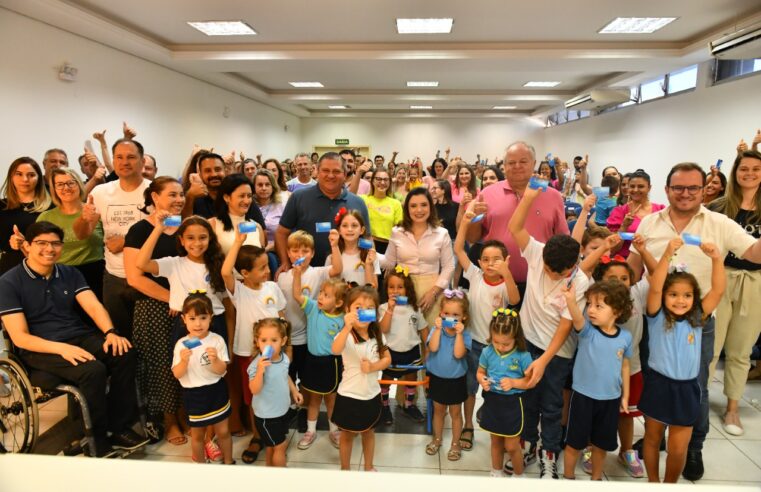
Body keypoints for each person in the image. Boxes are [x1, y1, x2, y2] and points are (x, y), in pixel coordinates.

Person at [627, 162, 761, 481]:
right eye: (678, 188)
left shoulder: (719, 223)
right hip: (655, 321)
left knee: (695, 388)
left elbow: (753, 252)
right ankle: (654, 436)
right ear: (667, 189)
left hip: (699, 324)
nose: (685, 194)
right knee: (654, 380)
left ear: (704, 190)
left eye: (692, 188)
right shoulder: (649, 222)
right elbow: (634, 267)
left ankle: (693, 446)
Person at [0, 221, 147, 456]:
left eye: (55, 243)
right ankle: (96, 440)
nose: (49, 249)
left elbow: (93, 306)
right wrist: (62, 349)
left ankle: (119, 427)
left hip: (77, 335)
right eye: (41, 243)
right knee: (93, 370)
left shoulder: (69, 272)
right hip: (39, 347)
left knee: (125, 353)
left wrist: (111, 333)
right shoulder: (8, 282)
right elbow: (20, 338)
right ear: (27, 246)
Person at [507, 183, 589, 479]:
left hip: (558, 352)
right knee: (526, 398)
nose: (550, 273)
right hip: (527, 343)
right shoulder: (539, 254)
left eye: (558, 272)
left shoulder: (579, 283)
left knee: (552, 404)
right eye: (548, 268)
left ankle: (549, 452)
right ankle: (528, 444)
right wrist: (528, 197)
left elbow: (566, 327)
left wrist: (544, 361)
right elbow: (515, 227)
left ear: (572, 267)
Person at [640, 238, 725, 483]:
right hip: (658, 385)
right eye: (674, 294)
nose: (680, 300)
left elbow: (718, 290)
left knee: (678, 448)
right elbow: (655, 288)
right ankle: (653, 482)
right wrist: (667, 253)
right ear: (665, 296)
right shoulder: (655, 315)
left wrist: (717, 259)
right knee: (653, 439)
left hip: (687, 389)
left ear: (694, 298)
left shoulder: (697, 317)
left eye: (687, 295)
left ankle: (669, 485)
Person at [123, 177, 186, 446]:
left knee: (188, 362)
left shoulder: (187, 227)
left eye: (181, 194)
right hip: (155, 306)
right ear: (155, 197)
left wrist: (185, 302)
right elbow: (134, 277)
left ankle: (187, 416)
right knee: (162, 366)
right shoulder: (139, 230)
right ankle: (169, 421)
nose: (179, 199)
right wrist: (172, 299)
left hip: (187, 308)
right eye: (172, 194)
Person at [467, 141, 569, 297]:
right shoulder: (487, 194)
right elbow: (473, 238)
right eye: (511, 162)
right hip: (496, 284)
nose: (517, 166)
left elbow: (563, 241)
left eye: (523, 161)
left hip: (542, 283)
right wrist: (475, 220)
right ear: (504, 165)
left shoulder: (553, 196)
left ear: (534, 163)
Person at [456, 208, 520, 451]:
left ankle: (495, 423)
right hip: (473, 343)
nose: (490, 264)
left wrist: (508, 274)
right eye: (486, 259)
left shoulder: (505, 284)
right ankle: (468, 426)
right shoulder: (474, 275)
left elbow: (514, 300)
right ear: (479, 262)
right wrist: (464, 222)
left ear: (505, 261)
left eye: (497, 259)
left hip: (497, 348)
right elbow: (458, 249)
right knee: (471, 387)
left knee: (495, 388)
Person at [707, 149, 761, 437]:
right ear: (735, 172)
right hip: (721, 277)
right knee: (711, 346)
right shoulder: (718, 206)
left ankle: (732, 407)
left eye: (756, 169)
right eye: (744, 169)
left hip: (755, 283)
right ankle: (699, 400)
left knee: (741, 349)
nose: (750, 174)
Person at [221, 230, 285, 463]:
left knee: (275, 391)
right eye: (262, 268)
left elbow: (281, 318)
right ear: (245, 273)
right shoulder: (239, 290)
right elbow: (225, 271)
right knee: (253, 396)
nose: (267, 271)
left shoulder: (273, 288)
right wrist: (237, 242)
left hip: (275, 354)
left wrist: (285, 349)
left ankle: (276, 434)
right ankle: (257, 436)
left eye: (267, 266)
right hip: (249, 354)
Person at [78, 138, 150, 341]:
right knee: (119, 337)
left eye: (131, 157)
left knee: (148, 338)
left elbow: (169, 232)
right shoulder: (100, 192)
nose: (124, 162)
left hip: (147, 275)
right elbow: (83, 233)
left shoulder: (155, 191)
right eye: (119, 157)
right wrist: (86, 220)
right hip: (113, 277)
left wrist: (127, 241)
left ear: (142, 161)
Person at [561, 280, 633, 481]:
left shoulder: (625, 337)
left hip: (610, 399)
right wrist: (570, 299)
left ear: (617, 310)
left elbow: (625, 366)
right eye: (590, 304)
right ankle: (568, 478)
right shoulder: (587, 332)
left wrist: (625, 396)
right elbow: (576, 316)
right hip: (583, 397)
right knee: (574, 443)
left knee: (601, 445)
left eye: (598, 306)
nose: (591, 310)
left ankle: (596, 480)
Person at [277, 229, 342, 442]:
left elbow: (338, 268)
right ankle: (288, 409)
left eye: (305, 250)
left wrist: (334, 244)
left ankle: (306, 413)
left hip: (309, 339)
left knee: (307, 382)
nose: (299, 254)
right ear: (287, 252)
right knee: (286, 374)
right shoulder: (282, 276)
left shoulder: (317, 272)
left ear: (313, 253)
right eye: (294, 250)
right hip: (287, 338)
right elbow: (284, 301)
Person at [331, 286, 391, 471]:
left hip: (371, 394)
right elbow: (335, 349)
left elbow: (388, 359)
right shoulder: (347, 335)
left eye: (368, 308)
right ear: (348, 309)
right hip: (349, 395)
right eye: (357, 307)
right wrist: (346, 326)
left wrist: (373, 367)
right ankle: (345, 469)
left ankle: (368, 466)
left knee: (369, 433)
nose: (362, 311)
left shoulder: (377, 333)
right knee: (347, 435)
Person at [276, 152, 369, 270]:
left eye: (336, 171)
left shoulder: (357, 202)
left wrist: (370, 265)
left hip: (348, 273)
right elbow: (281, 233)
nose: (330, 175)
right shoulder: (298, 197)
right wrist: (285, 262)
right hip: (306, 273)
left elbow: (366, 237)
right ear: (317, 173)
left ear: (345, 175)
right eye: (325, 170)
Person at [171, 292, 233, 464]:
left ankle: (229, 462)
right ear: (183, 319)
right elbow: (177, 374)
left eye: (203, 317)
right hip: (194, 395)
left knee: (223, 432)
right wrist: (183, 361)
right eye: (192, 318)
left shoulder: (217, 340)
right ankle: (199, 466)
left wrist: (216, 360)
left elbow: (222, 371)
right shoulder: (181, 344)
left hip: (217, 391)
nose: (198, 323)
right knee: (197, 435)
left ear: (211, 318)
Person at [381, 187, 455, 327]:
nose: (419, 210)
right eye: (413, 206)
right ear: (407, 209)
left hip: (433, 290)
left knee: (431, 336)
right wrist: (369, 254)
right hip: (403, 289)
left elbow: (449, 267)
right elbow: (389, 262)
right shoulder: (397, 232)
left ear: (430, 207)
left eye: (423, 205)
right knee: (404, 335)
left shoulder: (442, 233)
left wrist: (433, 293)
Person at [292, 267, 347, 450]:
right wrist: (297, 275)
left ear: (339, 302)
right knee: (314, 400)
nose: (321, 297)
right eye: (321, 293)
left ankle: (334, 430)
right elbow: (297, 295)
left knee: (332, 400)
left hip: (332, 364)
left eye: (327, 295)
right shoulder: (313, 308)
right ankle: (310, 431)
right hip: (312, 362)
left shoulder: (343, 320)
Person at [477, 308, 532, 478]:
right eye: (496, 341)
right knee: (495, 441)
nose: (500, 347)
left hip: (513, 404)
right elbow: (480, 372)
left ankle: (518, 475)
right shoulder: (487, 352)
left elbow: (530, 382)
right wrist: (482, 380)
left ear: (516, 337)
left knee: (512, 446)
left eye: (506, 343)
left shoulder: (523, 355)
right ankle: (496, 472)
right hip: (493, 401)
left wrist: (514, 382)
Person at [37, 168, 104, 299]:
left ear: (79, 184)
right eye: (60, 184)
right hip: (59, 277)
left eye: (70, 183)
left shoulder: (96, 212)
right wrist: (21, 243)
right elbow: (36, 252)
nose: (66, 188)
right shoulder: (45, 217)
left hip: (95, 276)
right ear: (54, 189)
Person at [247, 317, 302, 467]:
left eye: (274, 340)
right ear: (257, 341)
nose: (268, 345)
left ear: (283, 341)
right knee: (280, 446)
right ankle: (281, 476)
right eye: (264, 340)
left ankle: (270, 471)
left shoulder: (284, 358)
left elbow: (285, 376)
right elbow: (254, 389)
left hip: (281, 411)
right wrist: (260, 371)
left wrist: (294, 391)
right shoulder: (256, 365)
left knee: (272, 446)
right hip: (266, 416)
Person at [425, 290, 472, 462]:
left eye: (455, 315)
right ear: (440, 314)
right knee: (438, 411)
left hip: (456, 380)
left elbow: (459, 354)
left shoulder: (465, 335)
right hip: (437, 378)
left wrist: (459, 333)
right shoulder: (435, 331)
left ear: (463, 317)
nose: (450, 317)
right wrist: (437, 329)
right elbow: (434, 348)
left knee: (455, 413)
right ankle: (437, 439)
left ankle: (455, 443)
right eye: (446, 313)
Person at [377, 266, 428, 424]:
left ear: (407, 289)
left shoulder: (414, 308)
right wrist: (390, 310)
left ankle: (409, 404)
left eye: (400, 287)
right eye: (391, 287)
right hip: (390, 352)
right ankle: (384, 405)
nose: (395, 291)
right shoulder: (383, 308)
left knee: (411, 377)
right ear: (386, 289)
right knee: (387, 378)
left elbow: (423, 329)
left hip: (412, 350)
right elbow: (383, 329)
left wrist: (428, 350)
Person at [1, 157, 52, 275]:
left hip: (43, 267)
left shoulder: (51, 206)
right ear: (11, 177)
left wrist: (25, 244)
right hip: (9, 269)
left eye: (31, 175)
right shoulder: (2, 206)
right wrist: (11, 243)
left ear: (39, 178)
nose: (25, 179)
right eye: (19, 174)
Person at [606, 169, 665, 258]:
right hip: (626, 263)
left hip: (654, 261)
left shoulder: (660, 210)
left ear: (649, 188)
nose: (636, 190)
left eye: (641, 186)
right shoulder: (619, 212)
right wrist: (624, 226)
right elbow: (612, 249)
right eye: (632, 186)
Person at [208, 174, 266, 253]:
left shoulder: (256, 227)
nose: (246, 201)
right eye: (241, 196)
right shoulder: (212, 225)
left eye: (249, 196)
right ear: (226, 197)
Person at [327, 208, 379, 288]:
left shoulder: (371, 256)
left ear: (362, 230)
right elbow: (328, 288)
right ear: (339, 230)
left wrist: (368, 265)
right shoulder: (331, 258)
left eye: (354, 225)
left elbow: (374, 290)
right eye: (344, 226)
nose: (349, 229)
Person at [356, 167, 402, 254]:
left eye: (386, 180)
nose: (382, 182)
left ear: (390, 182)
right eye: (378, 179)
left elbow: (399, 230)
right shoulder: (363, 199)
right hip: (365, 243)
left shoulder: (395, 203)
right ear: (372, 181)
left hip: (387, 246)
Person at [253, 169, 288, 273]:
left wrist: (269, 248)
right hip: (253, 250)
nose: (264, 188)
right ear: (254, 187)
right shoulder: (249, 206)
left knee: (269, 259)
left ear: (273, 186)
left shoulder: (282, 205)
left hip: (277, 249)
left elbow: (288, 232)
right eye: (260, 185)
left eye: (267, 184)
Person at [182, 152, 226, 219]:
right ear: (200, 174)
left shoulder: (234, 193)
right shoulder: (192, 197)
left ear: (225, 171)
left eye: (218, 169)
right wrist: (189, 197)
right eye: (208, 171)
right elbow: (183, 222)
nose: (214, 174)